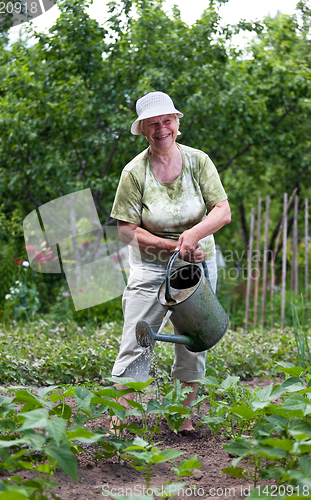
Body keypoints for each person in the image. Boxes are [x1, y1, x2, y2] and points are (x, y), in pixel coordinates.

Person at [110, 91, 231, 431]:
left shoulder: (198, 161)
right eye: (153, 124)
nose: (161, 128)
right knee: (138, 338)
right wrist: (172, 246)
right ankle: (125, 424)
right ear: (144, 130)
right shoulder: (135, 173)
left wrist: (193, 236)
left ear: (177, 123)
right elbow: (126, 231)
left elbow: (222, 211)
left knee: (195, 339)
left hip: (198, 264)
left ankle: (183, 420)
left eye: (167, 120)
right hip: (151, 266)